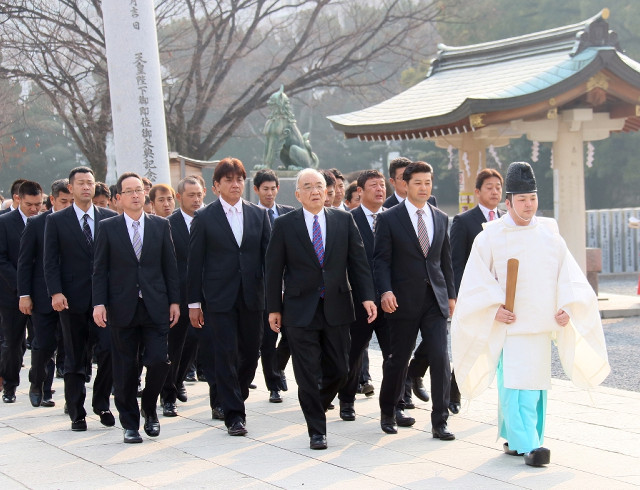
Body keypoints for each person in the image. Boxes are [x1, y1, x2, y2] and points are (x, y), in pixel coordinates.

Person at [452, 161, 610, 467]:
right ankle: (529, 445)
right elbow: (475, 280)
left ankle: (521, 437)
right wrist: (493, 308)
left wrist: (566, 307)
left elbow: (568, 275)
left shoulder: (550, 233)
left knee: (536, 386)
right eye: (522, 200)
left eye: (533, 199)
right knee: (516, 383)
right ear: (508, 202)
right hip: (511, 324)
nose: (529, 205)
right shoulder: (490, 236)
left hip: (541, 322)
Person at [265, 168, 377, 450]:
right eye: (308, 186)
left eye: (319, 185)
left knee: (340, 369)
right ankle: (317, 430)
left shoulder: (343, 219)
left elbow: (358, 263)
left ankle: (317, 402)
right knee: (306, 372)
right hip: (299, 309)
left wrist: (367, 297)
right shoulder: (285, 224)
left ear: (328, 191)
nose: (315, 191)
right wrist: (273, 308)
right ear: (298, 194)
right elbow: (273, 269)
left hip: (338, 305)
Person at [408, 168, 505, 415]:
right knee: (468, 341)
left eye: (498, 187)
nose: (494, 192)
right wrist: (458, 295)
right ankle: (450, 391)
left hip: (502, 294)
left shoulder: (506, 220)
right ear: (477, 192)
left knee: (491, 342)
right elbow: (455, 262)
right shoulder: (465, 221)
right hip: (472, 293)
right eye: (489, 187)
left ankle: (417, 373)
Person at [93, 172, 180, 444]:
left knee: (158, 360)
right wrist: (99, 303)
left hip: (155, 305)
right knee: (125, 368)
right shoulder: (108, 227)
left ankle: (150, 408)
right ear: (118, 198)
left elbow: (170, 266)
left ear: (145, 195)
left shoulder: (159, 226)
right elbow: (100, 270)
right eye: (128, 191)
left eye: (139, 190)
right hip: (122, 307)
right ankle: (130, 423)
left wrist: (175, 301)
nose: (134, 195)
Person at [188, 157, 270, 437]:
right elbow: (194, 263)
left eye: (239, 179)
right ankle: (234, 415)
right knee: (225, 354)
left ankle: (235, 396)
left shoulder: (258, 215)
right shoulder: (204, 217)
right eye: (228, 180)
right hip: (218, 298)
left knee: (250, 354)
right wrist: (194, 303)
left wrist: (275, 298)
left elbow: (269, 260)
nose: (235, 185)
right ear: (216, 186)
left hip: (253, 296)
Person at [374, 161, 456, 439]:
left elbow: (445, 263)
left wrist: (452, 296)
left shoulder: (441, 217)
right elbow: (381, 260)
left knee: (440, 358)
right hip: (401, 301)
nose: (424, 188)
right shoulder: (388, 218)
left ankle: (439, 420)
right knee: (398, 359)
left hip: (435, 300)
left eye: (428, 183)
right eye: (418, 183)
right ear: (405, 185)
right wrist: (385, 291)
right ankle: (388, 411)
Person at [44, 166, 117, 432]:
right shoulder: (56, 221)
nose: (86, 187)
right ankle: (76, 411)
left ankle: (101, 403)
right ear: (71, 188)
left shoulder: (109, 218)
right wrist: (55, 291)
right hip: (71, 299)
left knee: (109, 350)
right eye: (81, 184)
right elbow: (50, 261)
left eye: (90, 183)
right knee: (74, 358)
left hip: (104, 301)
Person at [336, 169, 390, 421]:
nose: (380, 189)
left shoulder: (393, 218)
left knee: (394, 354)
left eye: (382, 185)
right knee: (354, 353)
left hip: (390, 299)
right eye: (373, 186)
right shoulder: (347, 219)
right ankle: (346, 400)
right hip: (359, 300)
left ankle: (395, 403)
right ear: (360, 191)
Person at [18, 179, 73, 408]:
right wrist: (24, 294)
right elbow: (25, 263)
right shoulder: (37, 223)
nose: (68, 205)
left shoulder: (78, 223)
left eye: (72, 201)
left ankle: (66, 395)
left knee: (70, 345)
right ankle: (38, 383)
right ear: (52, 200)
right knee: (44, 343)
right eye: (63, 201)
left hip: (71, 295)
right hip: (42, 296)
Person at [161, 177, 204, 418]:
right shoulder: (168, 224)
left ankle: (177, 383)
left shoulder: (209, 219)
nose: (196, 200)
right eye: (191, 195)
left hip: (206, 295)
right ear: (180, 197)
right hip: (179, 295)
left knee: (194, 347)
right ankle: (167, 395)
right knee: (175, 348)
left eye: (199, 194)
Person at [252, 169, 295, 403]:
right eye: (265, 189)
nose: (269, 193)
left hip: (290, 286)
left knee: (290, 335)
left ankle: (278, 369)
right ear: (256, 190)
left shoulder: (289, 214)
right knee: (268, 338)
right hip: (264, 288)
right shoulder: (252, 215)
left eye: (273, 188)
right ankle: (273, 384)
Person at [0, 181, 43, 403]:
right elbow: (2, 259)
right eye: (29, 204)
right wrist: (21, 285)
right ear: (18, 199)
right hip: (11, 294)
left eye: (39, 204)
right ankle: (10, 386)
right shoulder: (5, 223)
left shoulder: (47, 222)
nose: (35, 209)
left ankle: (40, 385)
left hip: (41, 293)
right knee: (12, 343)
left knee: (43, 341)